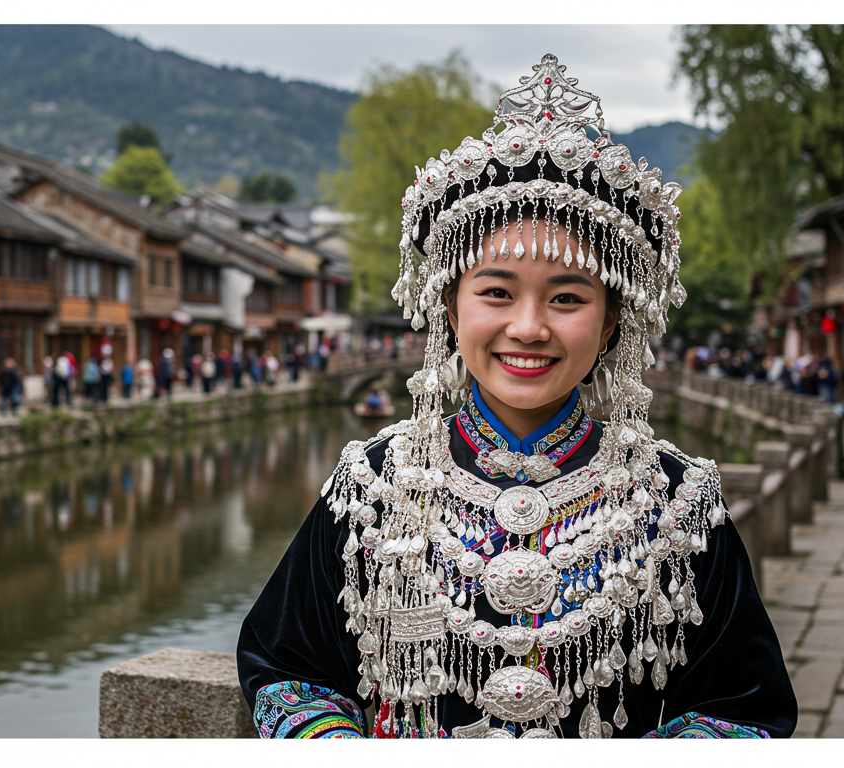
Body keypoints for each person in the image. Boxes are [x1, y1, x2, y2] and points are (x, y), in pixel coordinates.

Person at [237, 54, 795, 740]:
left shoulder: (678, 502)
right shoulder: (374, 487)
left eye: (567, 298)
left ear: (611, 319)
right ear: (450, 307)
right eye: (496, 292)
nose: (528, 328)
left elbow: (742, 708)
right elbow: (288, 673)